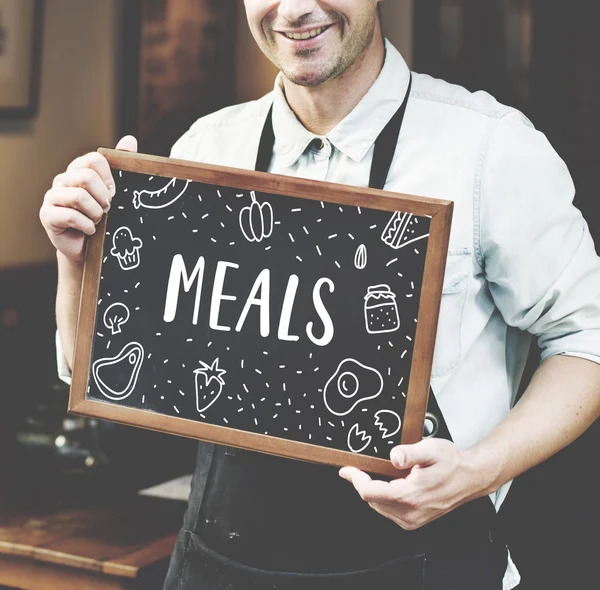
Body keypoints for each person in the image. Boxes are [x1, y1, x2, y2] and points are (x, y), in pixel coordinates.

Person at [40, 1, 600, 589]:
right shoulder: (204, 150)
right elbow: (97, 370)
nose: (298, 7)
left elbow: (587, 339)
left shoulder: (490, 149)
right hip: (220, 567)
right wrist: (74, 258)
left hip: (427, 568)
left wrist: (479, 471)